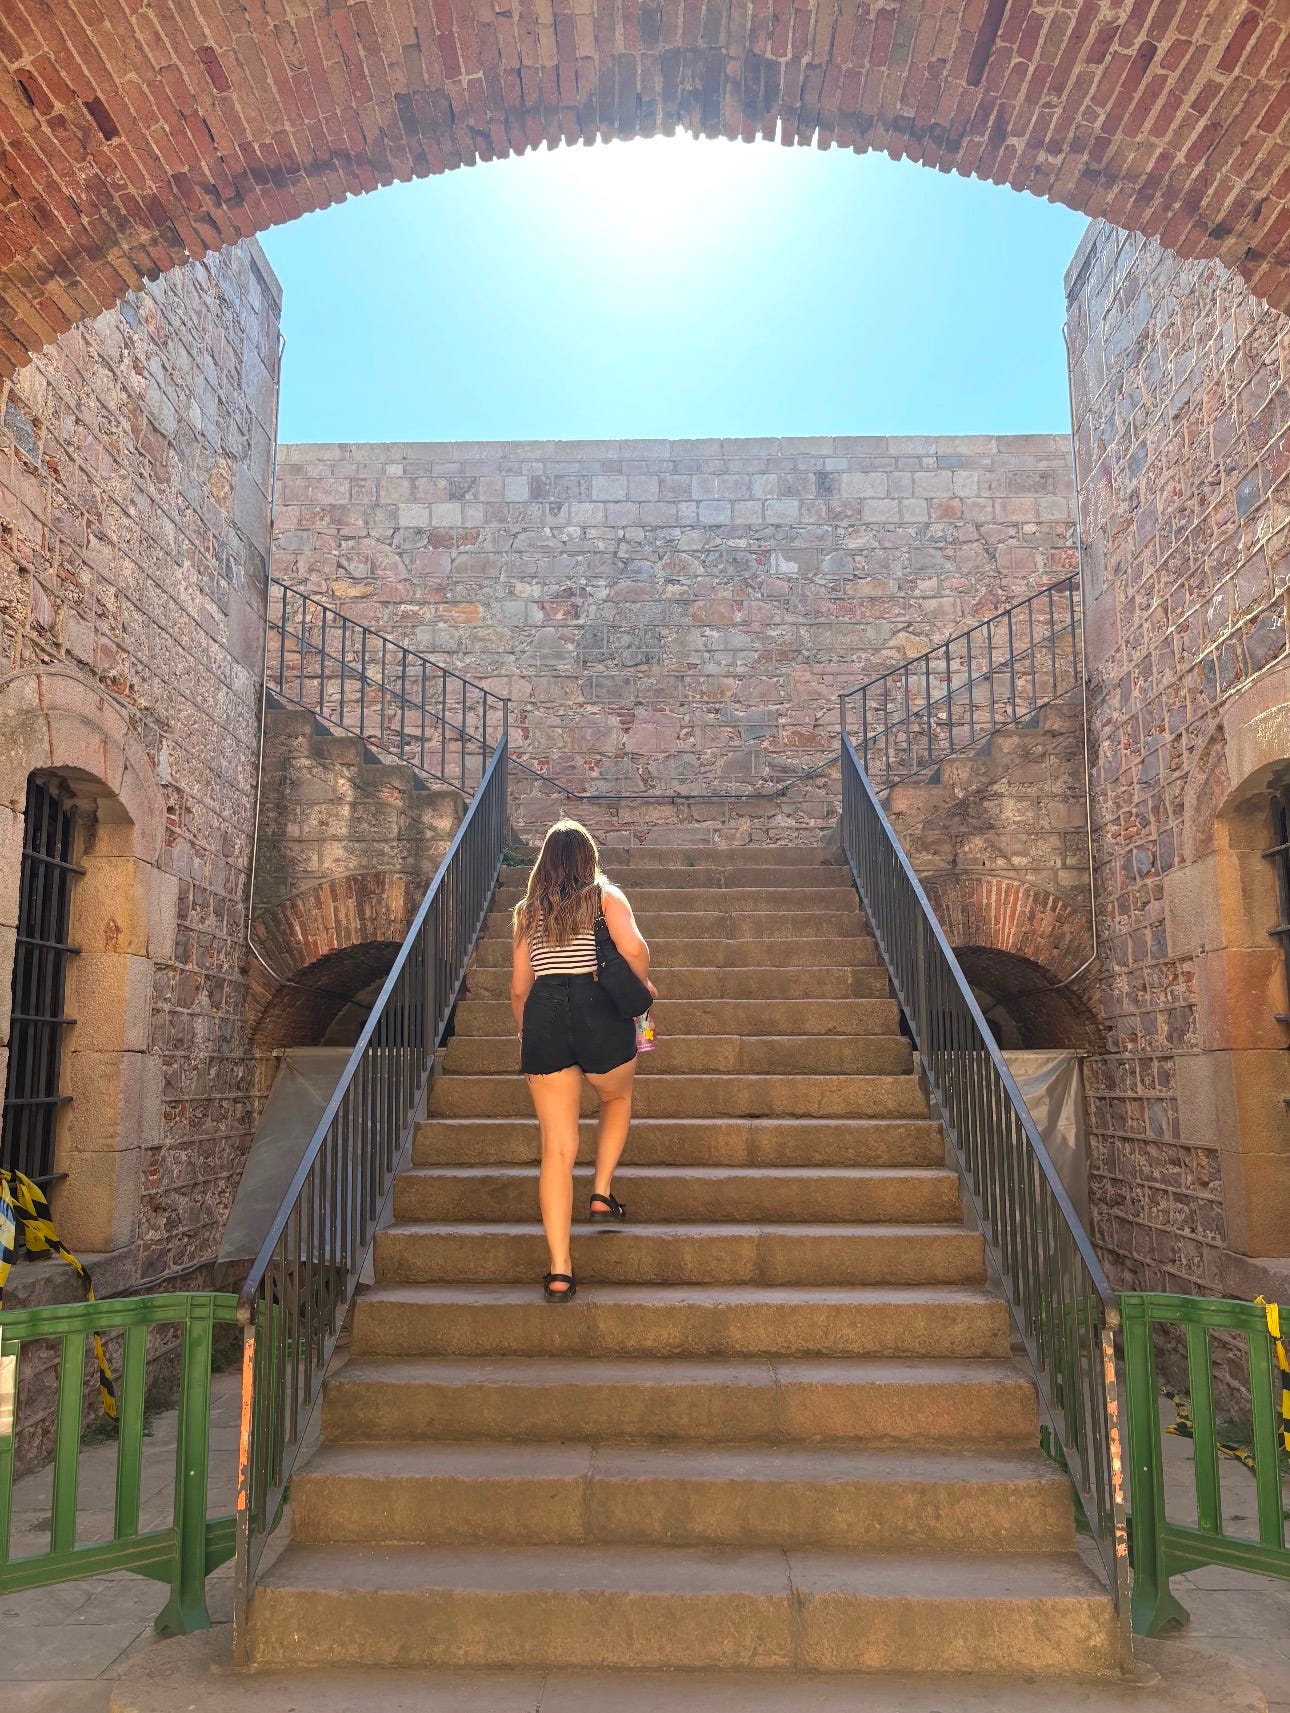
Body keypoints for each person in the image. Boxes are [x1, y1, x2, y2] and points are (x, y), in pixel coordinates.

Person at [511, 819, 655, 1301]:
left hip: (545, 1015)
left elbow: (518, 987)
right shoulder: (605, 898)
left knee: (556, 1148)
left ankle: (559, 1270)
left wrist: (525, 1029)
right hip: (598, 1011)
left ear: (545, 863)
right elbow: (635, 948)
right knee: (615, 1097)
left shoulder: (528, 912)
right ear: (587, 859)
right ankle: (601, 1191)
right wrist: (641, 985)